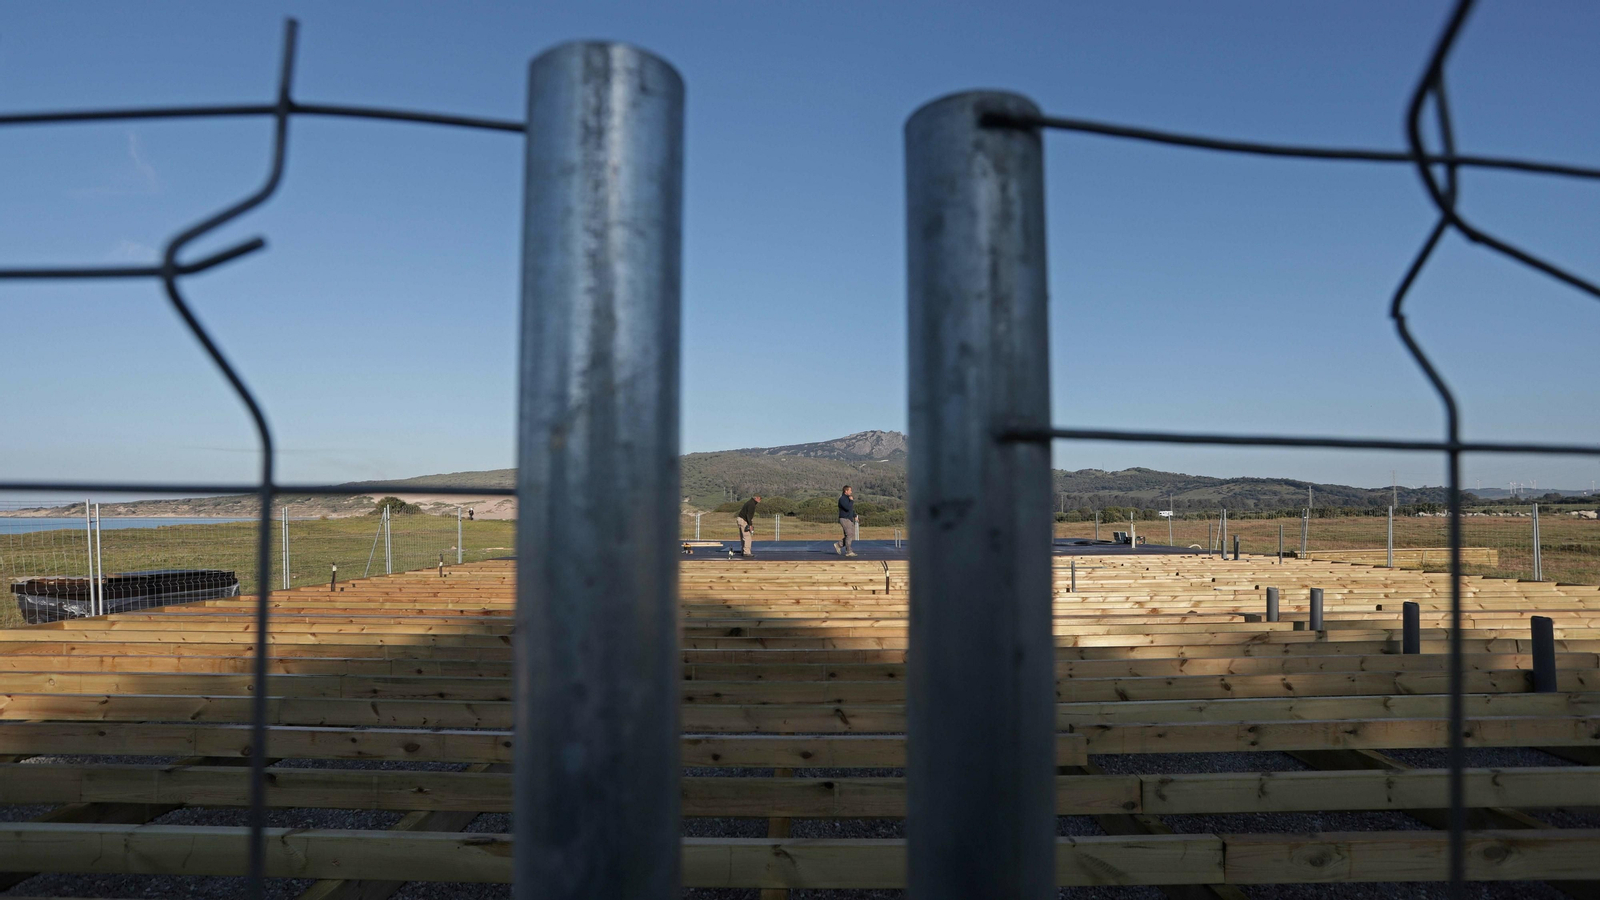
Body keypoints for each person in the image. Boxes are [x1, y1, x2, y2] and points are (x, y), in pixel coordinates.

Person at [834, 485, 859, 557]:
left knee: (851, 534)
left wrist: (854, 515)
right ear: (846, 491)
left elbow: (851, 509)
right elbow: (847, 508)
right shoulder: (842, 499)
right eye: (850, 490)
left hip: (849, 518)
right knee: (849, 534)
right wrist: (851, 501)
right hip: (844, 518)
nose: (851, 492)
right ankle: (849, 551)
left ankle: (839, 545)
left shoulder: (848, 498)